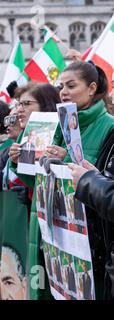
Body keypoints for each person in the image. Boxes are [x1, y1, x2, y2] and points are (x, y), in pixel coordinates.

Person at [51, 61, 114, 299]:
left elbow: (102, 177)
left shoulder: (110, 127)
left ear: (91, 88)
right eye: (60, 86)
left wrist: (68, 159)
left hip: (95, 239)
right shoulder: (61, 123)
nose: (63, 92)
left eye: (70, 85)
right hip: (63, 232)